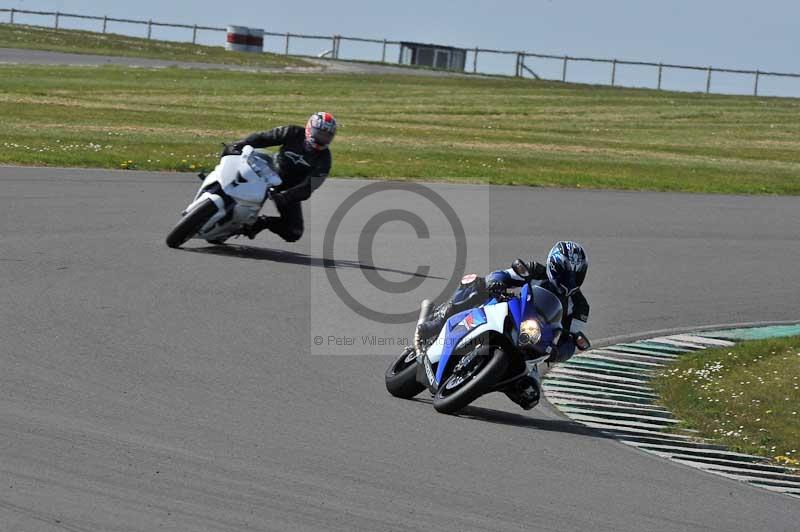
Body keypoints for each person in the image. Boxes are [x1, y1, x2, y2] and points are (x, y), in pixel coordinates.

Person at [415, 241, 590, 410]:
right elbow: (503, 274)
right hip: (510, 315)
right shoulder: (535, 271)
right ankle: (438, 321)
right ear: (553, 266)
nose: (570, 280)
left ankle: (486, 380)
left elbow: (571, 339)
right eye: (565, 273)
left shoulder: (580, 307)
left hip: (534, 342)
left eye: (575, 276)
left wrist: (560, 352)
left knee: (531, 396)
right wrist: (496, 282)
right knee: (475, 284)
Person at [224, 112, 337, 242]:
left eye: (327, 136)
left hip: (289, 189)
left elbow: (309, 187)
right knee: (238, 167)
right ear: (310, 129)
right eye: (320, 134)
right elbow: (265, 138)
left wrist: (286, 196)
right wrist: (242, 144)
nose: (322, 139)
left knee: (294, 232)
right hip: (268, 171)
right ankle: (219, 189)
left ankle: (260, 224)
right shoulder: (293, 132)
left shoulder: (324, 159)